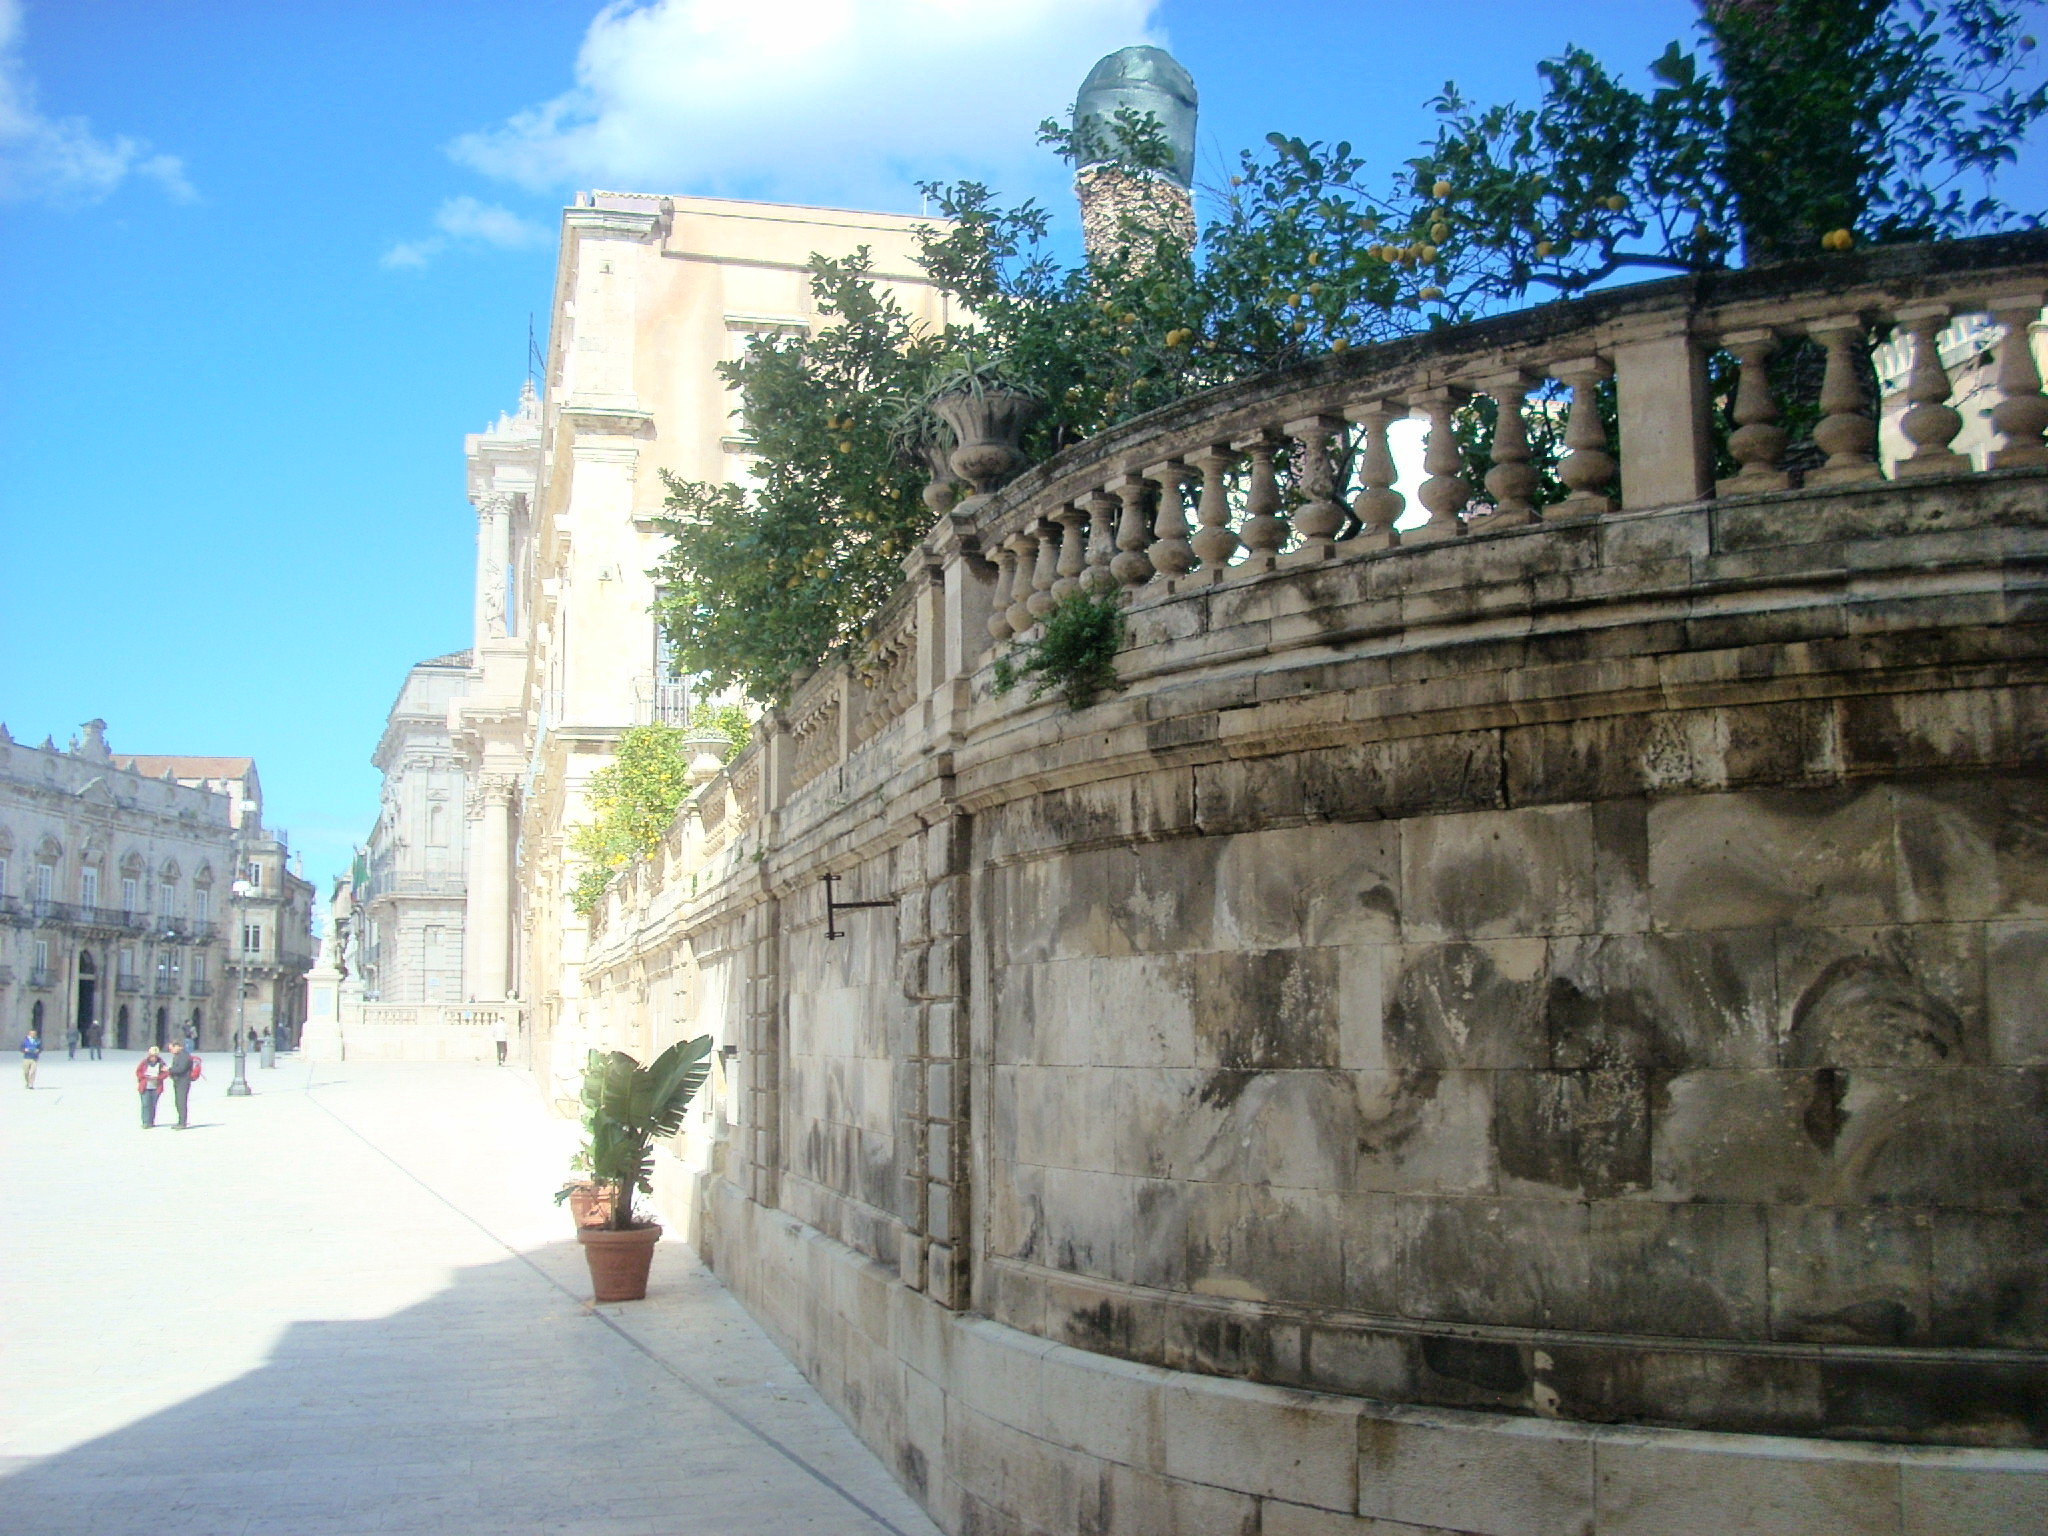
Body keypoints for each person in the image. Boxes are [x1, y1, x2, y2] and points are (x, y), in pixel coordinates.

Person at [166, 1041, 201, 1129]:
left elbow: (181, 1069)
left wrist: (169, 1069)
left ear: (178, 1046)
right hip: (178, 1081)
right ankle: (180, 1121)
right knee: (178, 1102)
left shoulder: (184, 1056)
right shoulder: (178, 1056)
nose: (171, 1051)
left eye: (172, 1048)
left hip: (183, 1082)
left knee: (181, 1102)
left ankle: (182, 1123)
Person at [136, 1046, 169, 1128]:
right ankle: (145, 1122)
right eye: (151, 1055)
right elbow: (138, 1071)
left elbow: (166, 1073)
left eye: (155, 1056)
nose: (153, 1058)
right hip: (145, 1087)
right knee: (146, 1104)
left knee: (153, 1105)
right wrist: (144, 1076)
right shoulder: (144, 1062)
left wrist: (158, 1078)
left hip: (156, 1087)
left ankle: (151, 1122)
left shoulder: (161, 1063)